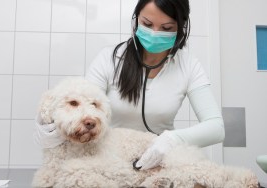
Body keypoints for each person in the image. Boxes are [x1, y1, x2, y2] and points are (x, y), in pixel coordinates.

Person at [34, 0, 225, 170]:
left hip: (162, 159)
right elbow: (85, 112)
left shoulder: (189, 65)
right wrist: (52, 129)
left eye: (166, 28)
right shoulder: (109, 59)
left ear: (181, 28)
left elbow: (216, 128)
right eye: (147, 24)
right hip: (109, 159)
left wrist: (171, 139)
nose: (155, 33)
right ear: (136, 20)